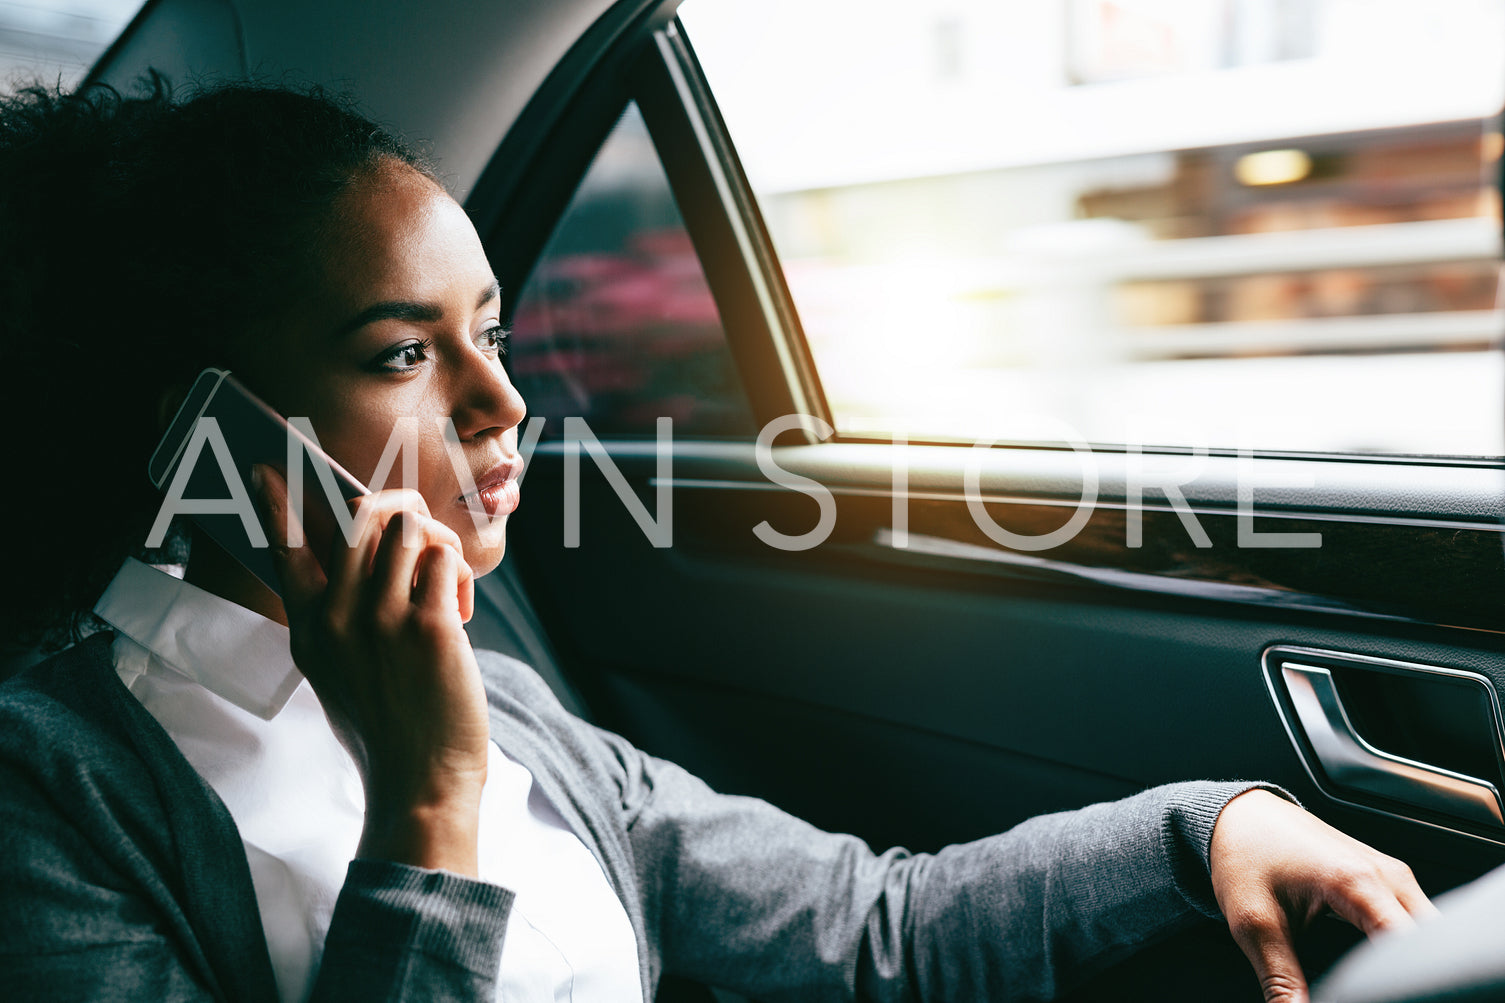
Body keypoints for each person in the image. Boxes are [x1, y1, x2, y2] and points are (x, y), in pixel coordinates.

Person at [0, 77, 1436, 1003]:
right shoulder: (51, 793)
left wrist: (1199, 831)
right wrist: (428, 809)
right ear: (208, 429)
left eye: (490, 334)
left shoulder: (506, 706)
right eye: (400, 353)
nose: (504, 401)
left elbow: (877, 934)